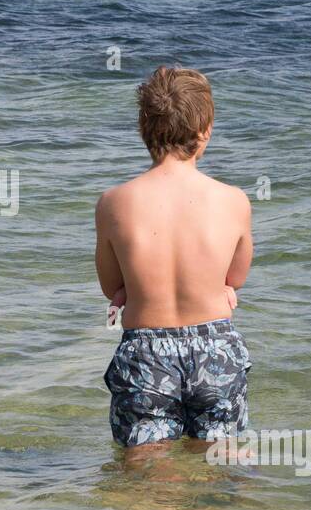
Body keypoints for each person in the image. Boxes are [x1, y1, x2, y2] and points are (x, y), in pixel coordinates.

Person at [95, 66, 252, 448]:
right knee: (220, 462)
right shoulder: (233, 200)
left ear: (142, 128)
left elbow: (111, 286)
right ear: (206, 129)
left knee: (144, 469)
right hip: (215, 347)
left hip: (147, 351)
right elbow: (236, 278)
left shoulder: (114, 203)